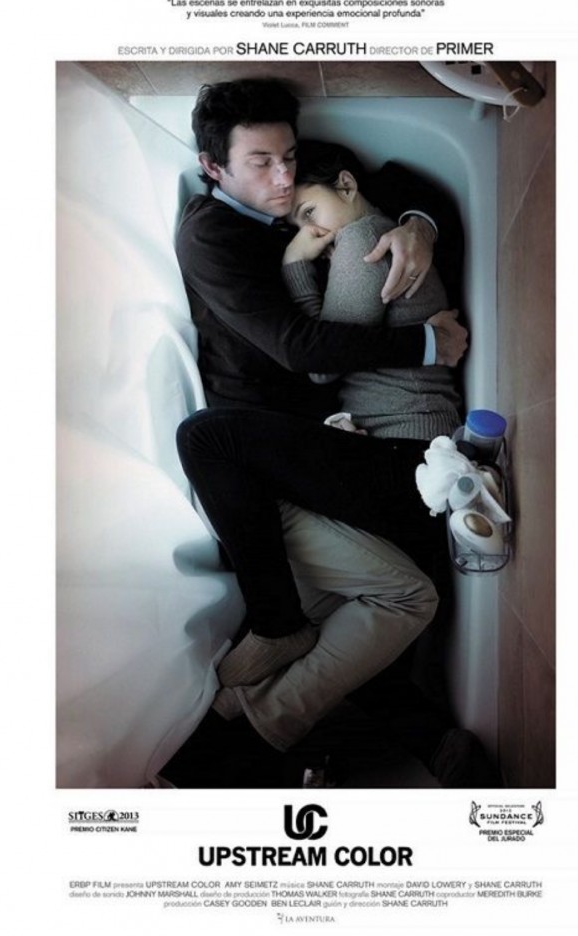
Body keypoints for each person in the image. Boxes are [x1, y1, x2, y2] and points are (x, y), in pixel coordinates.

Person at [164, 77, 499, 788]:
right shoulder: (214, 234)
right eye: (261, 163)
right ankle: (371, 728)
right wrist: (426, 345)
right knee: (209, 440)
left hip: (331, 434)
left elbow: (400, 182)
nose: (284, 178)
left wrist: (418, 224)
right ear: (213, 166)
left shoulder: (299, 195)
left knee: (395, 590)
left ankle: (349, 736)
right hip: (267, 447)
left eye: (289, 157)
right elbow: (300, 350)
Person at [282, 138, 463, 440]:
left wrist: (295, 264)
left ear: (346, 186)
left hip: (407, 427)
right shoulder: (374, 232)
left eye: (309, 213)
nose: (308, 235)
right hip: (404, 422)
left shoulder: (362, 241)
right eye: (297, 228)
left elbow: (321, 364)